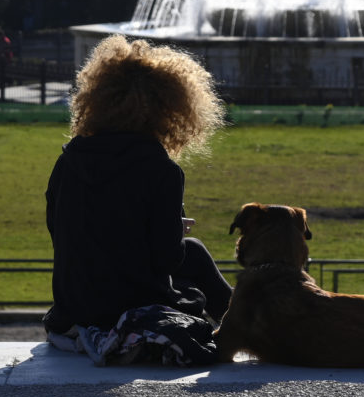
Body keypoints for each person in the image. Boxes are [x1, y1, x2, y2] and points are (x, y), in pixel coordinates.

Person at [42, 34, 233, 341]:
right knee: (193, 254)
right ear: (170, 111)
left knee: (192, 255)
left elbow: (61, 228)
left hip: (74, 306)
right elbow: (166, 258)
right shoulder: (162, 171)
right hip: (126, 305)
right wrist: (172, 229)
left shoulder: (67, 162)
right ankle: (251, 323)